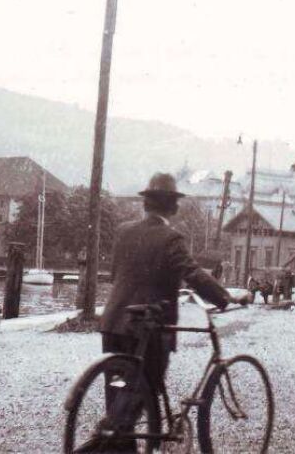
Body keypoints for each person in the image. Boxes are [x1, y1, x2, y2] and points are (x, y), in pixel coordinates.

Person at [99, 172, 250, 446]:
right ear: (174, 206)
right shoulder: (171, 237)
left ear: (146, 204)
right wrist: (226, 297)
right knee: (146, 389)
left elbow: (114, 275)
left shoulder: (123, 231)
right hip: (147, 328)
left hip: (114, 323)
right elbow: (193, 274)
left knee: (118, 393)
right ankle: (115, 438)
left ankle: (114, 440)